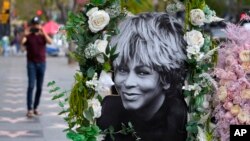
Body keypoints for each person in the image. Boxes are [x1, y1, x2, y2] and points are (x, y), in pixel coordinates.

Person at [97, 13, 188, 141]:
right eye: (122, 70)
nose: (128, 83)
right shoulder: (107, 113)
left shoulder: (182, 123)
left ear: (166, 78)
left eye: (142, 73)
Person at [21, 16, 52, 118]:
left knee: (39, 87)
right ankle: (29, 109)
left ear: (40, 25)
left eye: (37, 25)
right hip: (31, 64)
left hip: (42, 64)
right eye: (34, 25)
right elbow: (22, 45)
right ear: (31, 26)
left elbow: (50, 42)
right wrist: (24, 34)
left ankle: (35, 108)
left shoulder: (43, 35)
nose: (36, 27)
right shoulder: (28, 36)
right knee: (31, 85)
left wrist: (43, 32)